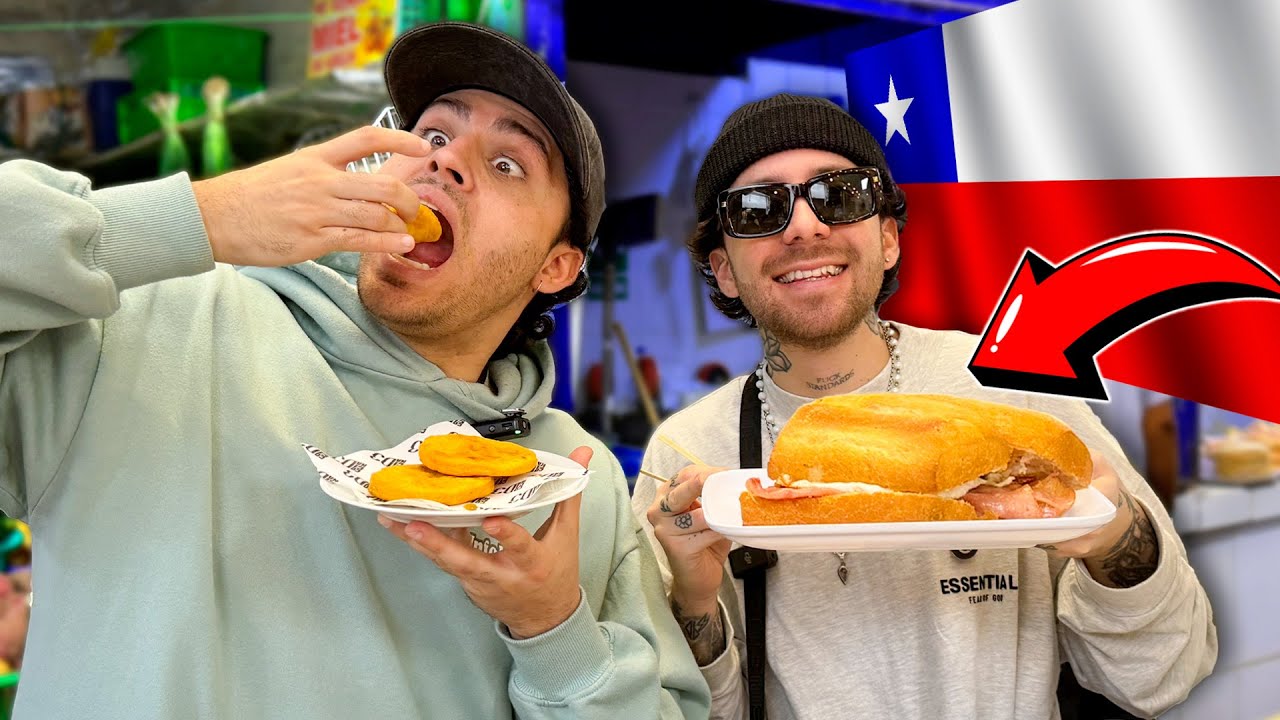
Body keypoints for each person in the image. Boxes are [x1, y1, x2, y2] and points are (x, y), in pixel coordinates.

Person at [0, 21, 710, 719]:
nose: (445, 160)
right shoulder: (137, 330)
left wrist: (555, 629)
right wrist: (204, 217)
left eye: (508, 164)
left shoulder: (576, 484)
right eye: (433, 134)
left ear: (556, 267)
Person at [631, 93, 1216, 720]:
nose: (804, 227)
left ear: (887, 240)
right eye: (756, 209)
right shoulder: (687, 453)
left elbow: (1161, 672)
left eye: (839, 194)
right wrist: (693, 606)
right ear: (723, 269)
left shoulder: (1007, 388)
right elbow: (687, 711)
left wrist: (1115, 538)